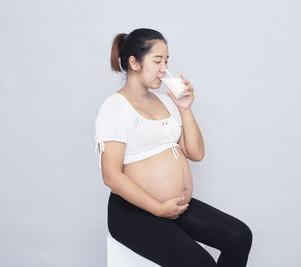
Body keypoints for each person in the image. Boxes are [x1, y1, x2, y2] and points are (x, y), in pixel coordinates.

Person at [94, 28, 253, 267]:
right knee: (202, 264)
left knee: (239, 237)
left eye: (166, 61)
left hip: (175, 207)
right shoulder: (115, 108)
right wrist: (158, 208)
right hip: (132, 213)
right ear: (134, 63)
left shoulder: (167, 102)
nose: (164, 69)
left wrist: (185, 108)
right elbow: (111, 176)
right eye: (157, 61)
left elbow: (196, 153)